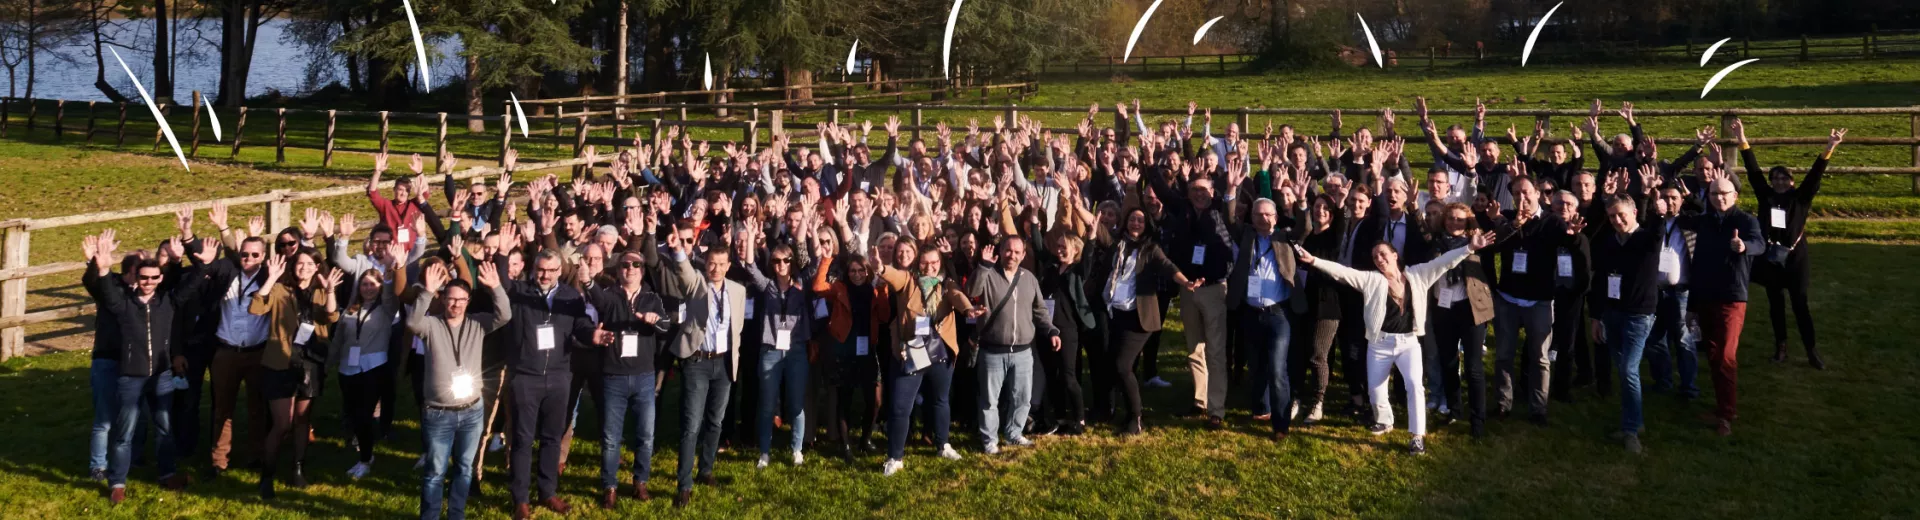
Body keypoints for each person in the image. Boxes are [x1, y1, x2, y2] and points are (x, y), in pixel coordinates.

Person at [1296, 229, 1495, 454]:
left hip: (1408, 343)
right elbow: (1343, 272)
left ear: (1395, 256)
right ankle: (1385, 420)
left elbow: (1444, 263)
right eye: (1375, 258)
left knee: (1415, 386)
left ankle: (1417, 436)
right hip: (1379, 344)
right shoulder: (1372, 280)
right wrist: (1314, 261)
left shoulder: (1418, 275)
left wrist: (1469, 248)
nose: (1379, 260)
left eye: (1383, 255)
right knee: (1375, 388)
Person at [85, 232, 213, 504]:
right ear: (137, 278)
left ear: (160, 279)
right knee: (124, 434)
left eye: (155, 278)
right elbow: (105, 291)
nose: (149, 282)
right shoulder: (123, 305)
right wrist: (104, 268)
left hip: (162, 376)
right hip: (131, 378)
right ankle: (117, 482)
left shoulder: (168, 302)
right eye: (144, 278)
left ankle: (167, 475)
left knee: (165, 428)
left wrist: (202, 264)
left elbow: (190, 284)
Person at [495, 248, 603, 519]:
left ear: (560, 271)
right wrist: (500, 253)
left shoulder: (570, 296)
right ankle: (520, 498)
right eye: (540, 269)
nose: (544, 275)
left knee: (552, 437)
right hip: (526, 377)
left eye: (551, 270)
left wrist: (593, 336)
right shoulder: (519, 292)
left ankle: (547, 491)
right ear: (534, 269)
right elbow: (500, 281)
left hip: (559, 376)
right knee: (522, 439)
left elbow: (580, 325)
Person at [1737, 120, 1844, 369]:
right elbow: (1753, 172)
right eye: (1775, 178)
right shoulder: (1767, 197)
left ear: (1792, 182)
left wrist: (1829, 148)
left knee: (1800, 304)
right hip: (1771, 259)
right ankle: (1781, 347)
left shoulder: (1801, 199)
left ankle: (1811, 350)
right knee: (1776, 305)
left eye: (1785, 178)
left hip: (1796, 260)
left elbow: (1815, 176)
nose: (1780, 182)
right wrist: (1742, 140)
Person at [409, 261, 511, 520]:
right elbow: (412, 323)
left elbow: (505, 315)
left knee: (464, 468)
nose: (456, 304)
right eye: (451, 299)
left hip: (471, 412)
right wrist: (427, 292)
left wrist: (496, 286)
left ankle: (457, 514)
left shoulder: (478, 324)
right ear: (442, 299)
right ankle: (429, 516)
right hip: (438, 413)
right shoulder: (431, 325)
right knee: (435, 471)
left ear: (468, 301)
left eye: (461, 300)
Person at [657, 236, 748, 509]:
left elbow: (738, 328)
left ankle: (705, 470)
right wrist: (678, 253)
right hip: (697, 362)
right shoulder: (697, 284)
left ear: (729, 265)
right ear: (705, 264)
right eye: (711, 264)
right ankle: (684, 485)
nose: (716, 269)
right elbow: (684, 272)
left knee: (716, 422)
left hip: (723, 364)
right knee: (691, 425)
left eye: (721, 264)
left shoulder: (737, 290)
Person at [1479, 176, 1578, 424]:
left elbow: (1569, 245)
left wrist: (1573, 236)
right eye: (1516, 194)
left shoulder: (1552, 221)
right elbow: (1494, 247)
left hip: (1540, 300)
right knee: (1503, 354)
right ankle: (1503, 403)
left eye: (1525, 193)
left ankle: (1538, 408)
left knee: (1540, 357)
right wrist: (1512, 224)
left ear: (1537, 193)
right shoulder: (1511, 217)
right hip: (1508, 298)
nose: (1521, 199)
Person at [246, 248, 343, 497]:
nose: (305, 267)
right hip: (281, 362)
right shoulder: (280, 289)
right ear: (292, 266)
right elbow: (256, 308)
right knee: (282, 424)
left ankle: (297, 469)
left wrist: (331, 290)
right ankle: (267, 475)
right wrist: (270, 278)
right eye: (301, 263)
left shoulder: (321, 291)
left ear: (317, 267)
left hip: (311, 362)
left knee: (302, 421)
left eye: (311, 263)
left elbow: (330, 317)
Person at [584, 251, 671, 509]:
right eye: (625, 265)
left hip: (644, 376)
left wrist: (655, 321)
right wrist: (588, 281)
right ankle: (609, 486)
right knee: (611, 437)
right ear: (618, 269)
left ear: (642, 270)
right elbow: (596, 298)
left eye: (636, 265)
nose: (630, 269)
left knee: (646, 435)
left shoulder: (651, 298)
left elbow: (666, 327)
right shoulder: (609, 295)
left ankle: (640, 481)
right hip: (614, 376)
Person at [877, 241, 972, 475]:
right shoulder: (908, 281)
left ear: (939, 263)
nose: (929, 267)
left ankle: (943, 444)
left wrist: (968, 310)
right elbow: (894, 276)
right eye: (925, 263)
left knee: (940, 401)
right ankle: (895, 457)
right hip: (912, 352)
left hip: (940, 352)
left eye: (934, 263)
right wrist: (880, 268)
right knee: (901, 407)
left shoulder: (945, 284)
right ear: (918, 263)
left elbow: (957, 296)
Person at [197, 201, 273, 480]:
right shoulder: (229, 273)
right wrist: (223, 228)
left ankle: (256, 455)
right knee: (222, 409)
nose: (249, 259)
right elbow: (228, 250)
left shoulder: (268, 278)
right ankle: (219, 460)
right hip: (226, 351)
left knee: (257, 407)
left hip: (257, 352)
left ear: (264, 257)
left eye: (255, 255)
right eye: (245, 254)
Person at [1689, 169, 1768, 437]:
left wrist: (1743, 246)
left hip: (1731, 298)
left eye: (1724, 193)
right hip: (1705, 296)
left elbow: (1760, 244)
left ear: (1734, 195)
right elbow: (1696, 263)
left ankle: (1726, 414)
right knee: (1712, 353)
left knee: (1725, 356)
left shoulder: (1746, 221)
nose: (1719, 197)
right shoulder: (1705, 222)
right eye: (1714, 193)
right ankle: (1723, 406)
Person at [966, 235, 1062, 454]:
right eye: (1008, 250)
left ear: (1023, 255)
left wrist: (1051, 331)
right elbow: (971, 292)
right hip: (993, 350)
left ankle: (1014, 433)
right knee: (989, 400)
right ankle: (989, 440)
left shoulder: (1029, 278)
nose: (1012, 255)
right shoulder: (988, 274)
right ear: (1001, 250)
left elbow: (1039, 310)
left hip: (1023, 352)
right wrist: (983, 266)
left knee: (1022, 397)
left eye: (1017, 252)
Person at [1586, 188, 1662, 453]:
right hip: (1611, 313)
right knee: (1623, 369)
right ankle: (1635, 421)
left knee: (1629, 370)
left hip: (1638, 315)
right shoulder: (1609, 242)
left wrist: (1657, 209)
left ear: (1632, 212)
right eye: (1611, 217)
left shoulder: (1646, 238)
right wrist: (1596, 316)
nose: (1616, 221)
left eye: (1620, 215)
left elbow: (1657, 233)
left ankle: (1630, 431)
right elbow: (1599, 282)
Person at [733, 232, 814, 468]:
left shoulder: (800, 287)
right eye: (777, 261)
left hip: (796, 350)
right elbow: (749, 266)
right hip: (770, 350)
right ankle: (764, 452)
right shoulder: (767, 287)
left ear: (792, 262)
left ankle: (797, 449)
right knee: (767, 403)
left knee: (796, 403)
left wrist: (805, 229)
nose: (781, 265)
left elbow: (815, 263)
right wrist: (748, 237)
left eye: (786, 261)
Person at [1226, 198, 1304, 440]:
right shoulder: (1246, 235)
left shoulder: (1285, 237)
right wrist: (1230, 191)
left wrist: (1301, 202)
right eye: (1258, 214)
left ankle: (1281, 425)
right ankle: (1262, 408)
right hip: (1250, 312)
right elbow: (1229, 220)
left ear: (1276, 217)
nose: (1263, 219)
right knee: (1257, 365)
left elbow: (1305, 227)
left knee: (1277, 369)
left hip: (1278, 314)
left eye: (1268, 215)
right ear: (1252, 217)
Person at [1425, 203, 1497, 437]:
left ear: (1467, 222)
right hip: (1443, 308)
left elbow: (1502, 238)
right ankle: (1455, 410)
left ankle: (1478, 419)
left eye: (1460, 219)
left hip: (1470, 309)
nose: (1454, 223)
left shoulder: (1478, 243)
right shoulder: (1435, 242)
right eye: (1450, 218)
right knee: (1448, 361)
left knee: (1474, 367)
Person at [330, 265, 401, 481]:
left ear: (380, 286)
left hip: (374, 367)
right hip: (348, 368)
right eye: (364, 284)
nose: (368, 288)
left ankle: (365, 459)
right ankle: (364, 450)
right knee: (353, 414)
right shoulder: (350, 310)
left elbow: (391, 296)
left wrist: (389, 280)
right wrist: (328, 364)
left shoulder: (388, 309)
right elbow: (339, 340)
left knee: (364, 414)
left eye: (373, 284)